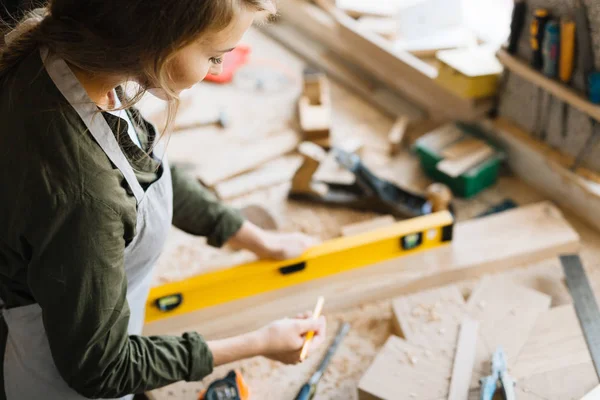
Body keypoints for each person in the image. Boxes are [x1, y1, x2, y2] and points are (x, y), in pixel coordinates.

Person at [0, 1, 327, 399]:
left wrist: (247, 235)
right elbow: (103, 367)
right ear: (157, 39)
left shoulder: (70, 58)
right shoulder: (84, 194)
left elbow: (145, 167)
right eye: (213, 56)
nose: (218, 70)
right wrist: (260, 343)